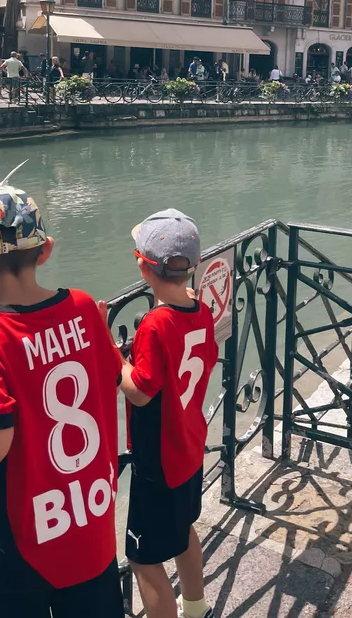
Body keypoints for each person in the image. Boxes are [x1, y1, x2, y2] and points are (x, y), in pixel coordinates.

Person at [0, 168, 125, 618]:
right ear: (46, 250)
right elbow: (109, 375)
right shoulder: (82, 305)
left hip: (22, 541)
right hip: (89, 516)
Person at [113, 210, 218, 618]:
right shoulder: (201, 311)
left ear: (143, 265)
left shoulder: (154, 325)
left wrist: (110, 351)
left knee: (142, 559)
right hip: (191, 445)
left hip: (159, 460)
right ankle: (195, 609)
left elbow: (139, 391)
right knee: (182, 532)